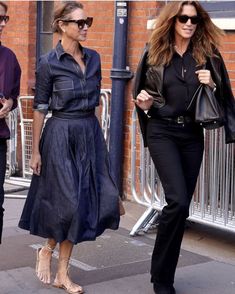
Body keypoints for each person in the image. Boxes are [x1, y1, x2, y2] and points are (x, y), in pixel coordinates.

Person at [133, 1, 235, 294]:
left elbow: (224, 97)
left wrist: (212, 85)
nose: (189, 23)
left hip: (192, 135)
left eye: (195, 19)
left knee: (181, 208)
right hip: (162, 132)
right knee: (176, 200)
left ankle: (162, 270)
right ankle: (162, 278)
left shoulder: (208, 57)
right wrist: (146, 104)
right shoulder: (155, 53)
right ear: (172, 21)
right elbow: (142, 95)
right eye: (183, 18)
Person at [18, 2, 120, 293]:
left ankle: (62, 273)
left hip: (89, 133)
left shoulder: (95, 58)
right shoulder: (49, 62)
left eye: (87, 21)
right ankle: (47, 250)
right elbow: (39, 107)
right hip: (60, 134)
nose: (85, 26)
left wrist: (98, 141)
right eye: (79, 22)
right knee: (70, 205)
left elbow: (95, 103)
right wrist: (35, 150)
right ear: (62, 25)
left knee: (90, 201)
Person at [0, 1, 21, 244]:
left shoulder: (9, 58)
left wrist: (10, 104)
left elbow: (13, 95)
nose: (3, 24)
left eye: (5, 18)